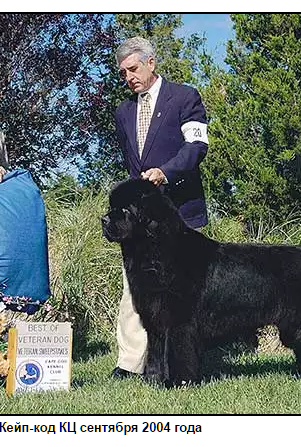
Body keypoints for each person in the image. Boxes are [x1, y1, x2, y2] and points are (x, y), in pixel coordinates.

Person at [112, 37, 209, 379]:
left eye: (134, 69)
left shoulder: (185, 97)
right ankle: (130, 363)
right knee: (134, 288)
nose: (129, 78)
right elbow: (129, 161)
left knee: (184, 292)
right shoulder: (123, 111)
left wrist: (165, 173)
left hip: (181, 212)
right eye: (123, 73)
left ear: (151, 63)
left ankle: (182, 360)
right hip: (139, 221)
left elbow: (196, 147)